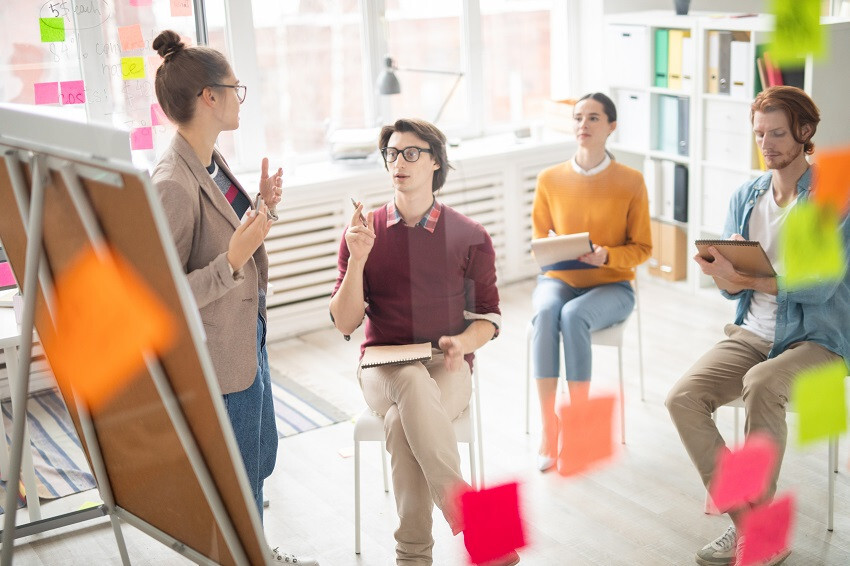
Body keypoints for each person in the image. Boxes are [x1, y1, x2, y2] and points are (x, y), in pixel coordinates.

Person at [150, 30, 318, 566]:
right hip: (216, 356)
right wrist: (231, 262)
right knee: (240, 476)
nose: (240, 98)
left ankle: (252, 548)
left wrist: (264, 209)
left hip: (247, 336)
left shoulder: (209, 159)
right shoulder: (172, 184)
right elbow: (164, 296)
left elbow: (232, 234)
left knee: (259, 457)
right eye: (234, 89)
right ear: (209, 97)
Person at [666, 86, 850, 566]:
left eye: (777, 134)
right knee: (682, 398)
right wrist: (723, 272)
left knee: (762, 382)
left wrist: (744, 276)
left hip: (817, 338)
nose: (766, 144)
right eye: (759, 134)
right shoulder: (746, 196)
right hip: (751, 333)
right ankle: (753, 526)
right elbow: (734, 293)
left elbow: (820, 287)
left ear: (805, 132)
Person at [329, 118, 517, 566]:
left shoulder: (470, 235)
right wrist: (358, 260)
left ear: (436, 161)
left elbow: (488, 318)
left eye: (411, 153)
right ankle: (477, 522)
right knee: (409, 381)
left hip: (444, 365)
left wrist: (461, 342)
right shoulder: (364, 233)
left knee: (400, 423)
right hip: (382, 367)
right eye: (392, 153)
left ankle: (411, 556)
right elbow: (345, 322)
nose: (399, 162)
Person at [530, 92, 652, 471]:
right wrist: (554, 248)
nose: (583, 124)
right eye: (578, 117)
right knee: (547, 312)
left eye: (593, 118)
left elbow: (643, 248)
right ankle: (549, 426)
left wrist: (608, 255)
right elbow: (538, 240)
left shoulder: (631, 181)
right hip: (559, 278)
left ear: (611, 126)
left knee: (573, 316)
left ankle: (579, 425)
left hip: (613, 285)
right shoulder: (549, 179)